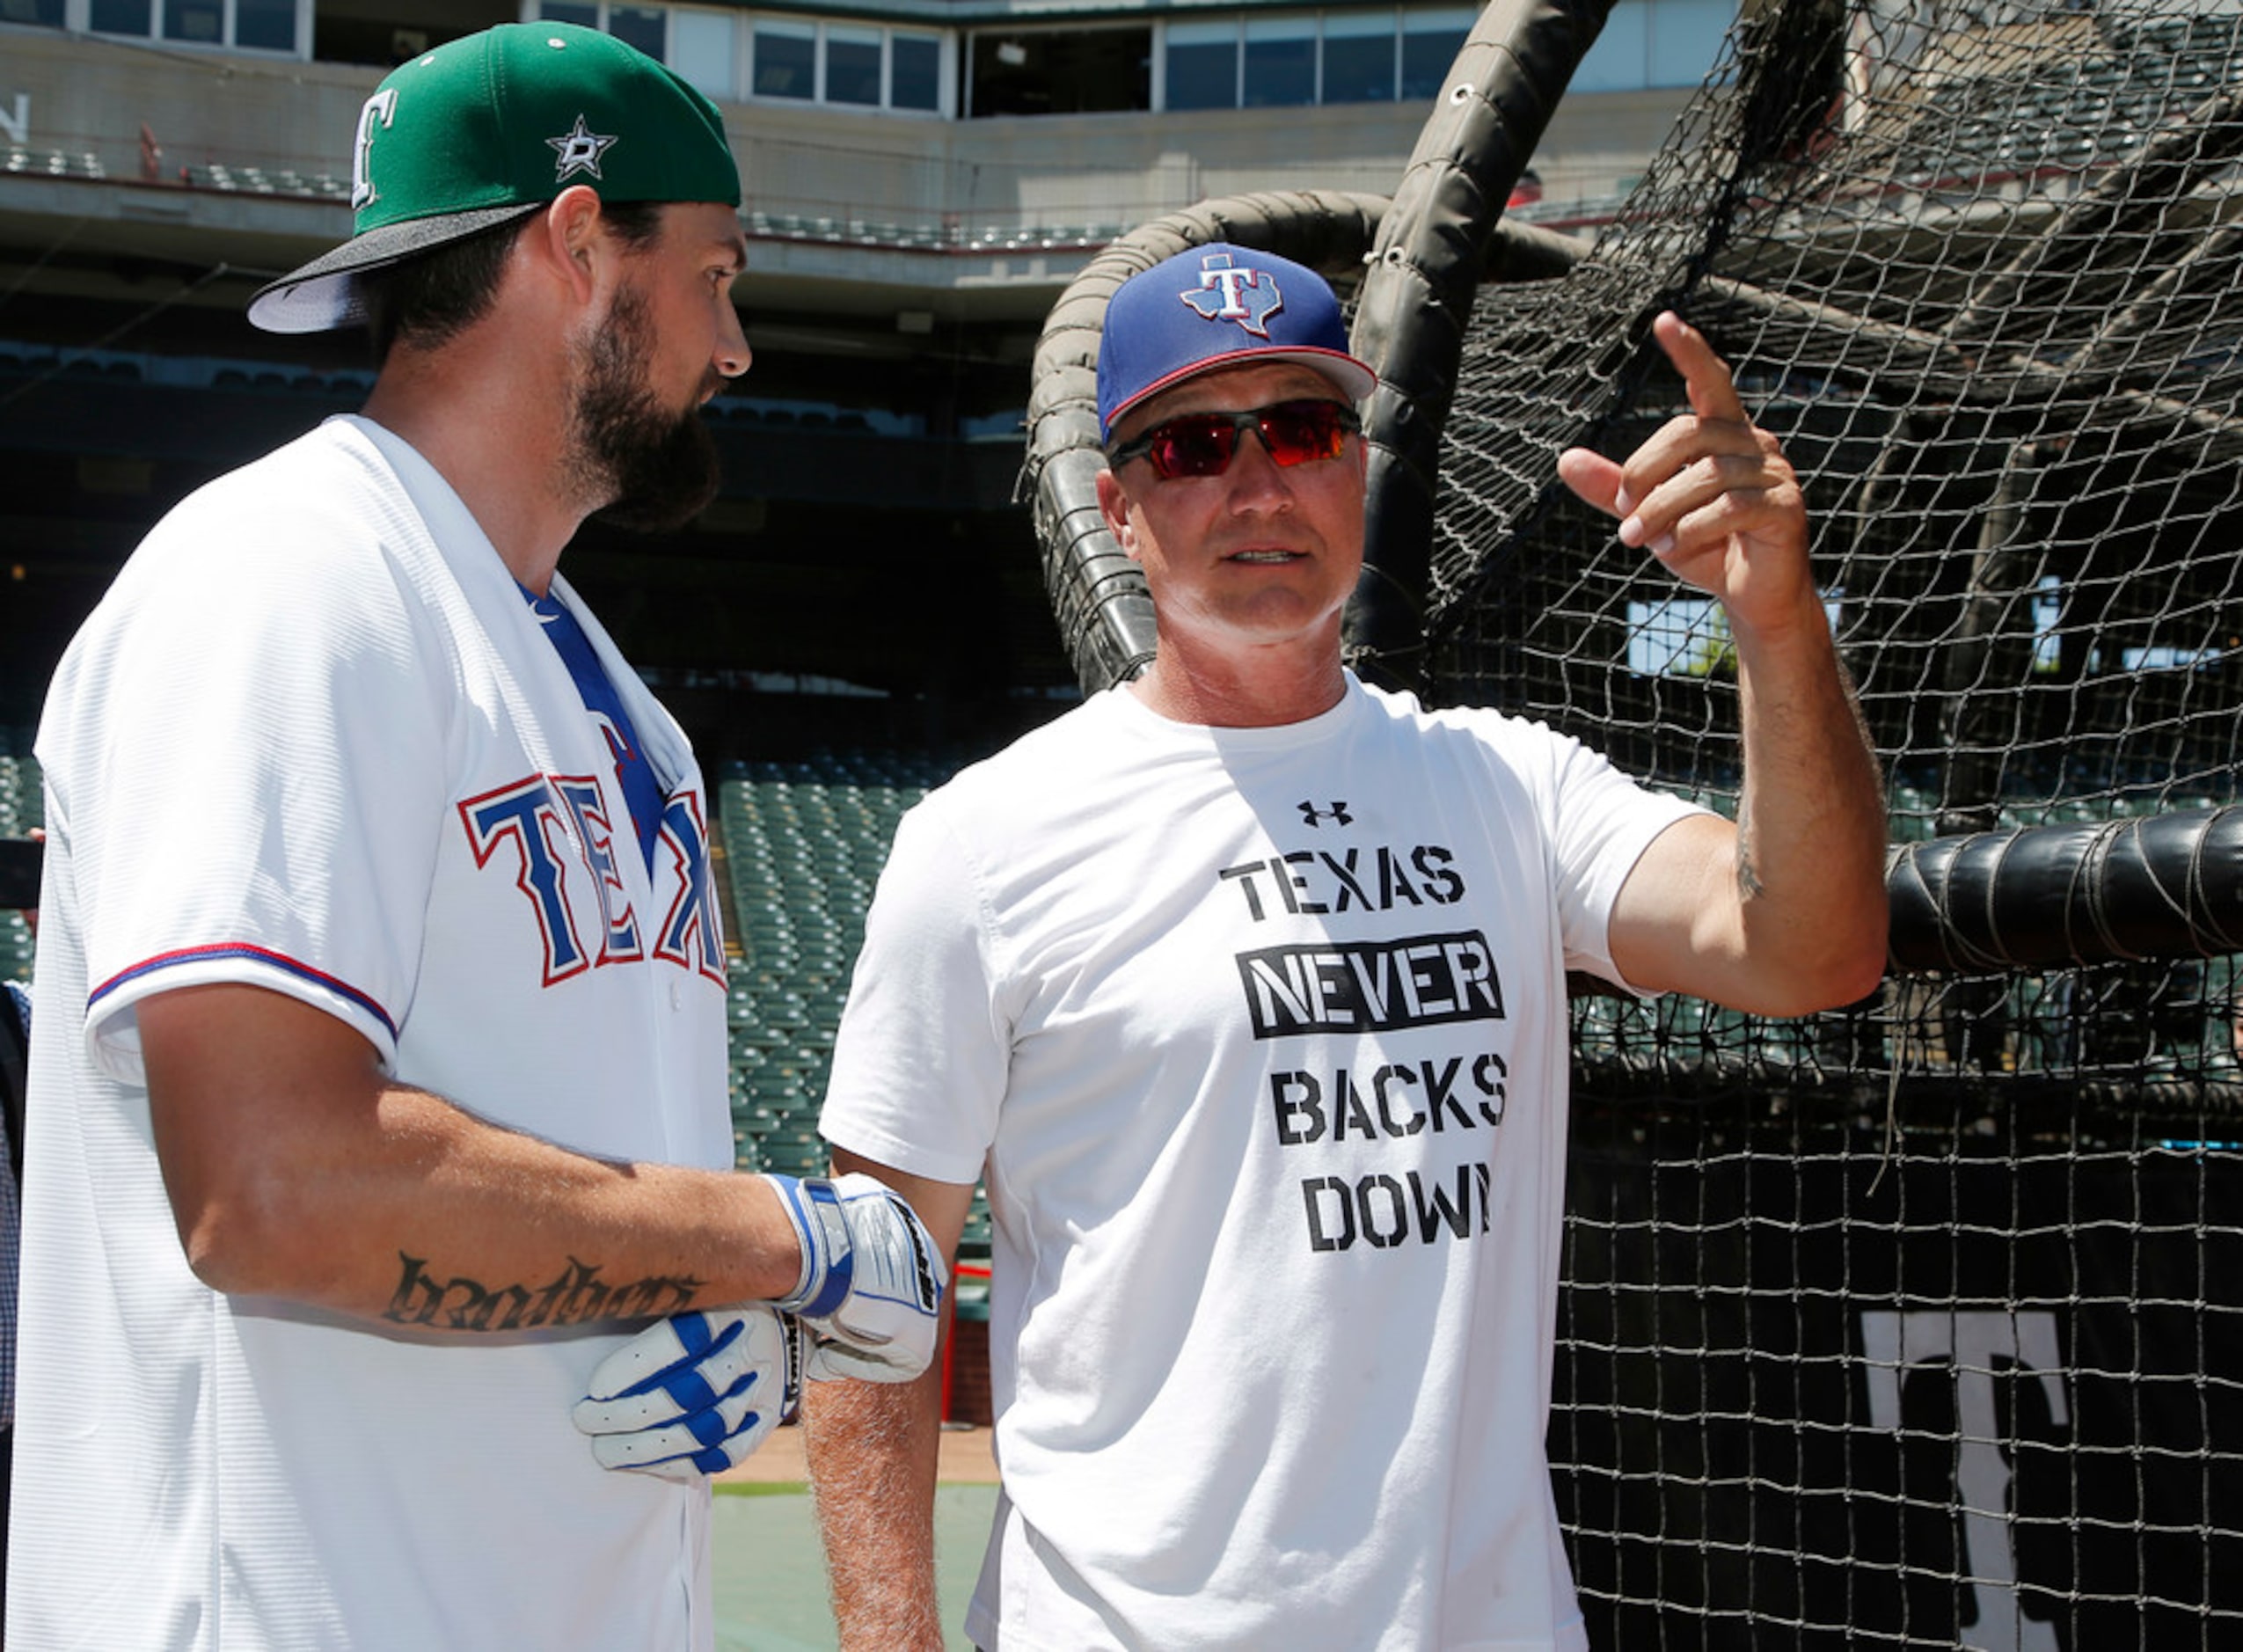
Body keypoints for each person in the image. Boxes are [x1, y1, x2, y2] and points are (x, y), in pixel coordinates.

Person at [797, 243, 1889, 1648]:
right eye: (1196, 443)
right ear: (1120, 508)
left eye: (1306, 430)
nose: (1260, 486)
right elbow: (868, 1301)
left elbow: (1809, 949)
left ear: (1358, 474)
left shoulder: (1507, 785)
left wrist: (1775, 617)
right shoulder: (983, 842)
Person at [6, 24, 939, 1650]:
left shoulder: (608, 690)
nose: (732, 348)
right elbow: (274, 1185)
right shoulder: (285, 579)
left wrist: (736, 1315)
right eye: (715, 275)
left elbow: (589, 1161)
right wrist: (777, 1241)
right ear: (578, 249)